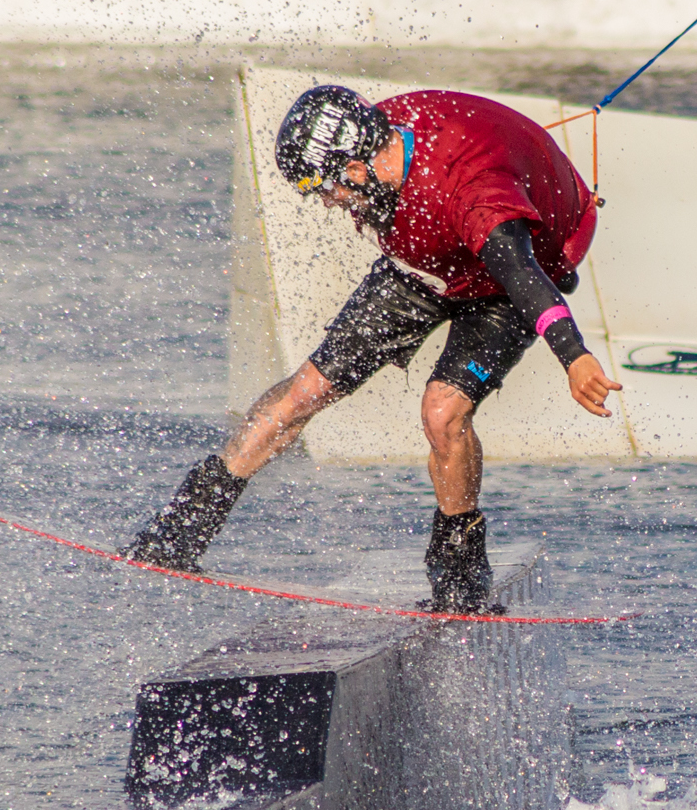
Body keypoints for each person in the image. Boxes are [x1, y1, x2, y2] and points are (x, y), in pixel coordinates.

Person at [130, 84, 620, 612]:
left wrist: (574, 356)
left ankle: (460, 580)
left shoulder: (472, 192)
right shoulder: (375, 138)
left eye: (325, 188)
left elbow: (522, 276)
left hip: (509, 278)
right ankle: (180, 529)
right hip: (425, 264)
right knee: (306, 391)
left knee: (442, 413)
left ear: (358, 167)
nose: (327, 202)